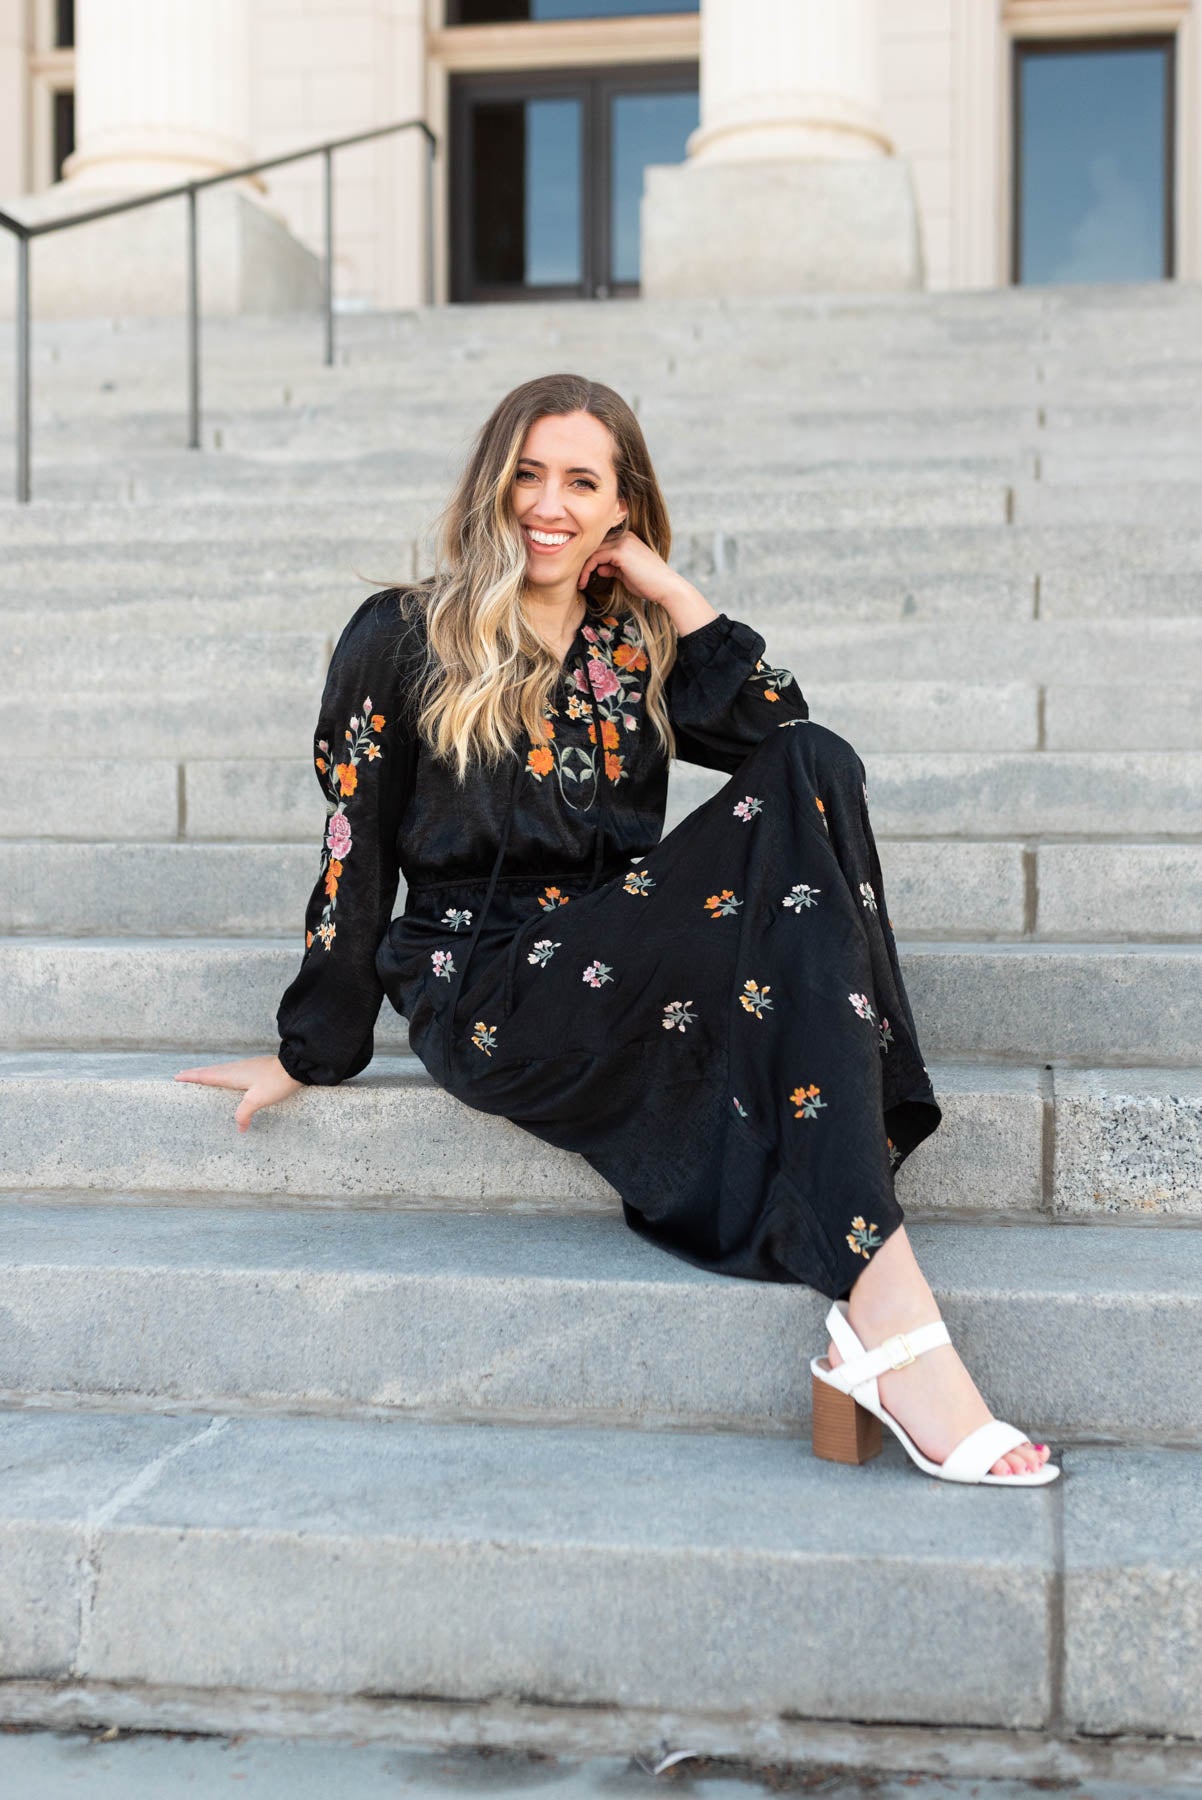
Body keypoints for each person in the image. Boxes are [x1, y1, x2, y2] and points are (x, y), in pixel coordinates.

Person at [177, 373, 1057, 1487]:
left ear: (617, 504)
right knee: (788, 903)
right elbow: (355, 842)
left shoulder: (629, 650)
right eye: (527, 475)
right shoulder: (403, 634)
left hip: (617, 947)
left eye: (581, 483)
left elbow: (781, 733)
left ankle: (875, 1325)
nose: (547, 504)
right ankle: (893, 1328)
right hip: (486, 979)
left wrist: (657, 580)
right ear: (491, 488)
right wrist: (313, 1048)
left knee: (814, 766)